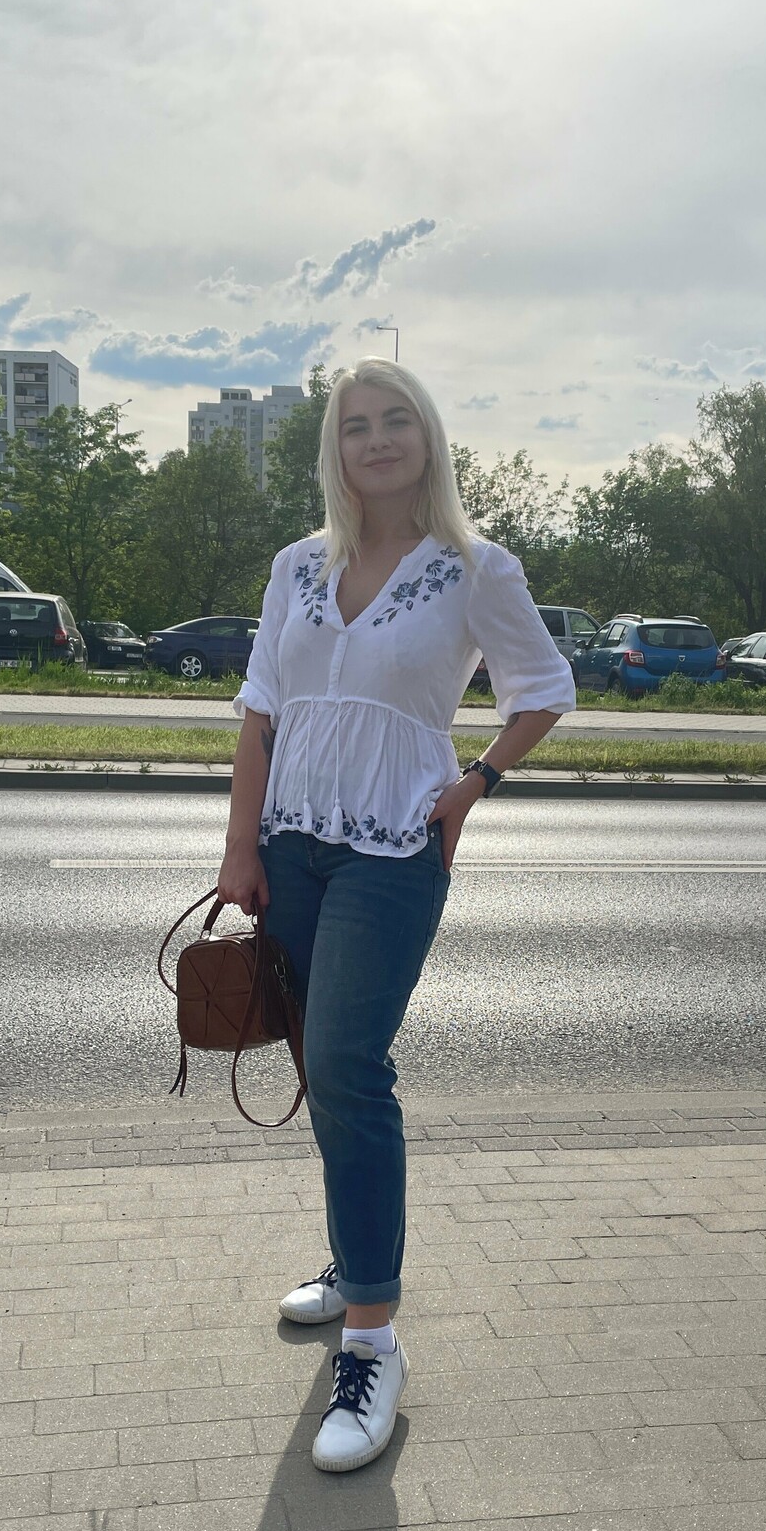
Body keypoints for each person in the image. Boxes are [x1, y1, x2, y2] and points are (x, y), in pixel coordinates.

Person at [216, 358, 575, 1472]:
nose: (376, 440)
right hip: (292, 844)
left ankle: (372, 1343)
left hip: (393, 850)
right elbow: (260, 712)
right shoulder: (298, 565)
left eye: (396, 421)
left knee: (349, 1065)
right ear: (336, 447)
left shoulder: (474, 568)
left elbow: (544, 690)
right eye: (356, 424)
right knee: (321, 1067)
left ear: (428, 439)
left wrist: (475, 785)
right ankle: (354, 1257)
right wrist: (239, 847)